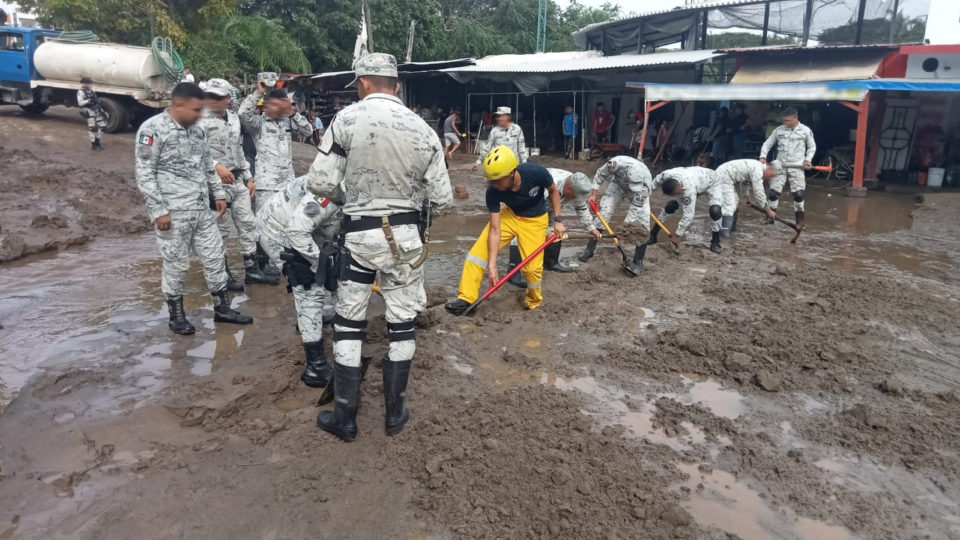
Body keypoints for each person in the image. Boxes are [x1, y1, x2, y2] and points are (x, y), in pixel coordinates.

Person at [305, 53, 453, 442]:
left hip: (358, 237)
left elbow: (319, 182)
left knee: (349, 323)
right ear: (398, 86)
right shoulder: (424, 129)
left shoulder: (348, 119)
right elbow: (443, 200)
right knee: (402, 325)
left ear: (364, 83)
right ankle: (394, 414)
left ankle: (345, 418)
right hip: (406, 241)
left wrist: (351, 198)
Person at [134, 82, 253, 335]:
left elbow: (208, 167)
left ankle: (222, 308)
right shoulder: (152, 130)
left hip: (201, 209)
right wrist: (158, 211)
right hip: (173, 213)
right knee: (177, 264)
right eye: (196, 109)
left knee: (214, 257)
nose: (200, 114)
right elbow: (144, 174)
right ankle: (176, 315)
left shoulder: (197, 132)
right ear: (179, 104)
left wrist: (218, 194)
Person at [446, 146, 566, 316]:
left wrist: (558, 221)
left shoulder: (535, 172)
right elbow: (495, 230)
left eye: (498, 180)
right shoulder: (493, 190)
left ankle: (533, 302)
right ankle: (466, 298)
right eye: (491, 180)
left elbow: (554, 191)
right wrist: (493, 266)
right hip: (509, 215)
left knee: (532, 270)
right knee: (477, 255)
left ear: (512, 173)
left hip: (535, 220)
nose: (494, 184)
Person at [199, 79, 278, 290]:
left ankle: (252, 270)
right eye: (209, 96)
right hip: (214, 182)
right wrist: (216, 166)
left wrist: (248, 176)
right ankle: (223, 274)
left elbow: (239, 150)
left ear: (227, 98)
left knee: (248, 224)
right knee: (221, 230)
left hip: (236, 179)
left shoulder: (233, 119)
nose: (212, 100)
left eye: (217, 97)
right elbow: (194, 151)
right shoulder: (200, 121)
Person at [280, 192, 342, 388]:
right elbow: (296, 231)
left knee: (327, 279)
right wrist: (322, 265)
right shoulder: (328, 191)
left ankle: (311, 324)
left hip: (310, 232)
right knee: (309, 289)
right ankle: (314, 367)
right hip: (283, 233)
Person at [238, 86, 313, 213]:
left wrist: (293, 113)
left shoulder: (289, 122)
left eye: (281, 105)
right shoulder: (259, 123)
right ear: (266, 106)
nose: (277, 108)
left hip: (287, 184)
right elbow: (243, 113)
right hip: (266, 185)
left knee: (286, 222)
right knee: (264, 222)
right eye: (273, 104)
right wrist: (258, 93)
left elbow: (308, 131)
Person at [579, 156, 653, 274]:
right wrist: (594, 195)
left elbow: (635, 210)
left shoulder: (646, 184)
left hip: (637, 193)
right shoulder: (615, 164)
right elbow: (600, 174)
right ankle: (589, 250)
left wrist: (624, 234)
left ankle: (638, 260)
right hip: (618, 185)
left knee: (643, 222)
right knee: (604, 214)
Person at [759, 106, 815, 229]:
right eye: (784, 121)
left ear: (796, 118)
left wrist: (807, 160)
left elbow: (811, 147)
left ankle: (800, 222)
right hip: (780, 165)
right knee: (773, 193)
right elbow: (767, 144)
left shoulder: (805, 131)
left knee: (799, 194)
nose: (785, 123)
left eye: (788, 121)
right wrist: (763, 157)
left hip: (797, 165)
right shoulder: (778, 130)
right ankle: (770, 218)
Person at [654, 166, 724, 254]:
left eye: (676, 194)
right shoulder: (663, 176)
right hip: (695, 179)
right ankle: (653, 235)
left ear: (679, 186)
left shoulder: (688, 189)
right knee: (671, 206)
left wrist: (677, 235)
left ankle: (715, 242)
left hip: (712, 182)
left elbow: (688, 215)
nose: (675, 196)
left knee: (715, 211)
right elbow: (650, 186)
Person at [715, 159, 782, 238]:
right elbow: (759, 193)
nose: (769, 178)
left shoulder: (757, 167)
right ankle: (724, 232)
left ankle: (731, 229)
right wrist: (768, 211)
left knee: (735, 201)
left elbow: (745, 182)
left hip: (726, 175)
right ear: (770, 168)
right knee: (730, 204)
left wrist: (746, 197)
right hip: (724, 176)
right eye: (771, 175)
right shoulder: (758, 170)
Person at [77, 77, 105, 151]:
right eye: (89, 84)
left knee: (103, 126)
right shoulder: (81, 92)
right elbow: (80, 103)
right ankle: (93, 145)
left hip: (96, 110)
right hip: (88, 110)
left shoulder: (91, 91)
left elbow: (96, 101)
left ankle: (97, 142)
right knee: (92, 128)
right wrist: (89, 100)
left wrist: (102, 111)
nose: (91, 85)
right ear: (85, 84)